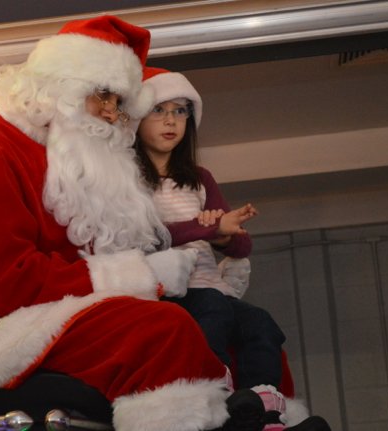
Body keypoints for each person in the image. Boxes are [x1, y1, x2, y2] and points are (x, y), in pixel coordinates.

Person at [0, 15, 252, 431]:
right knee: (162, 329)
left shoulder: (58, 152)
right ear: (60, 85)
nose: (110, 115)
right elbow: (10, 285)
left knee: (233, 322)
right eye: (102, 96)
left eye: (119, 104)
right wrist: (139, 274)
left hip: (54, 308)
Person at [133, 67, 331, 431]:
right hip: (170, 292)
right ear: (136, 117)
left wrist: (223, 234)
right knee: (212, 309)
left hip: (214, 287)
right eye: (159, 110)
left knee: (261, 322)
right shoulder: (128, 178)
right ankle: (216, 398)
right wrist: (205, 226)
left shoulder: (200, 177)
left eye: (180, 111)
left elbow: (240, 244)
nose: (171, 121)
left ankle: (263, 406)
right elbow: (144, 236)